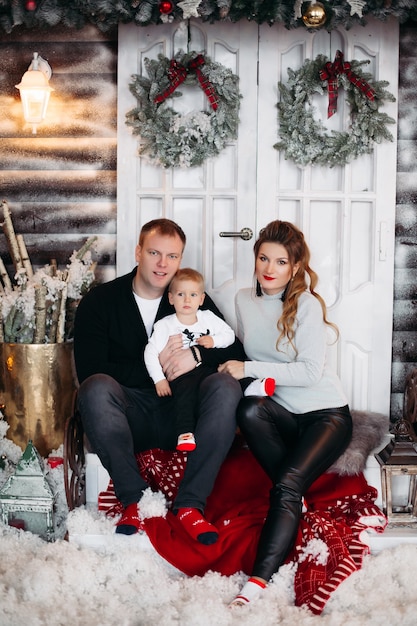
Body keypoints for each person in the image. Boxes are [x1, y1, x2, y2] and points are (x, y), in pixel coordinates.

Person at [73, 218, 246, 545]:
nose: (163, 264)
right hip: (129, 414)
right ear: (138, 252)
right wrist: (159, 368)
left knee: (225, 386)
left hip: (185, 416)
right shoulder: (100, 302)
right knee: (95, 388)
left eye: (173, 256)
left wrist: (196, 356)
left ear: (181, 259)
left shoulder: (190, 297)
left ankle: (191, 505)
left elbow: (235, 350)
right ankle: (134, 500)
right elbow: (91, 368)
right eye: (154, 253)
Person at [218, 220, 353, 607]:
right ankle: (292, 498)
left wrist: (251, 370)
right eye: (263, 258)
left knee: (286, 485)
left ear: (295, 267)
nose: (270, 268)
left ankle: (257, 582)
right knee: (249, 410)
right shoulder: (244, 299)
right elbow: (246, 352)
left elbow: (309, 373)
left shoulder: (306, 305)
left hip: (326, 415)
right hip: (283, 413)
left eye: (280, 261)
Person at [144, 267, 276, 452]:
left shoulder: (208, 318)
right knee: (184, 395)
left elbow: (229, 335)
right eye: (181, 294)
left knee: (227, 373)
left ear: (201, 299)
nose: (187, 300)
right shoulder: (165, 325)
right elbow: (150, 352)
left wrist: (214, 340)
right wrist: (159, 379)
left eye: (193, 294)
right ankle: (185, 432)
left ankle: (253, 386)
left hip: (208, 367)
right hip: (184, 376)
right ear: (171, 298)